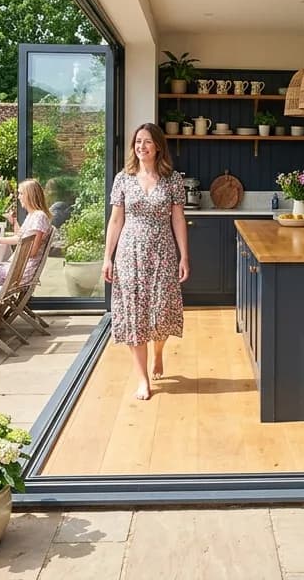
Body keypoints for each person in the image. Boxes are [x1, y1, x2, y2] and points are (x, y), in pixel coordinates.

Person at [102, 122, 189, 401]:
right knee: (134, 314)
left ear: (158, 146)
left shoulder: (172, 179)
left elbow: (178, 218)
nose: (142, 146)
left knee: (161, 311)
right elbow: (116, 220)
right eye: (138, 141)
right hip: (130, 254)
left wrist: (184, 256)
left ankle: (158, 352)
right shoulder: (123, 178)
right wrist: (107, 258)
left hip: (163, 252)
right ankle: (142, 379)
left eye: (147, 141)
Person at [0, 178, 53, 288]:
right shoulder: (33, 215)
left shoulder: (39, 217)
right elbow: (19, 237)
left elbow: (32, 252)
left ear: (30, 196)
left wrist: (13, 255)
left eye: (21, 193)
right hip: (18, 269)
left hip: (20, 273)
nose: (18, 197)